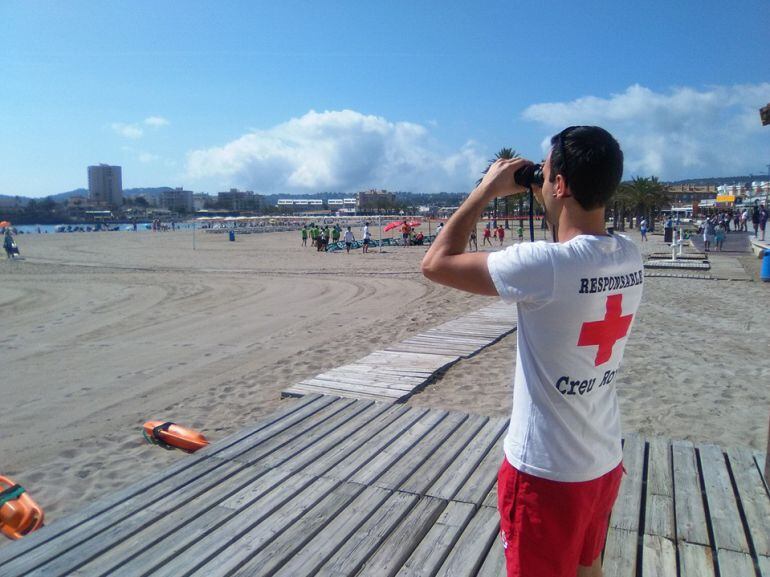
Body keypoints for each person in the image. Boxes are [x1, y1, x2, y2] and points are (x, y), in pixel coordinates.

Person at [421, 126, 642, 577]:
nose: (539, 182)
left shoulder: (546, 266)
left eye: (544, 175)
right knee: (588, 568)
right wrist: (540, 179)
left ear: (559, 185)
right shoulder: (630, 255)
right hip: (601, 459)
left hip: (546, 472)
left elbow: (436, 263)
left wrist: (486, 188)